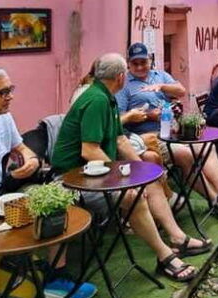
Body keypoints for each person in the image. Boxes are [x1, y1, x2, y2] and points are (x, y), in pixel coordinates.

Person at [51, 54, 203, 283]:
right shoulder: (96, 100)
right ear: (121, 77)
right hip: (73, 177)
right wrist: (120, 177)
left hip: (94, 170)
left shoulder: (106, 96)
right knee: (133, 196)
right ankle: (165, 257)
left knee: (150, 180)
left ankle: (177, 237)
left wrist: (145, 170)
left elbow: (120, 141)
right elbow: (89, 150)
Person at [0, 66, 98, 298]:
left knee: (55, 199)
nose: (10, 96)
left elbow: (21, 147)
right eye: (3, 92)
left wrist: (31, 159)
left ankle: (55, 276)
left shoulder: (3, 118)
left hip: (2, 191)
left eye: (10, 89)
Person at [117, 43, 218, 211]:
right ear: (128, 63)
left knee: (206, 146)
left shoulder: (160, 75)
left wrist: (162, 87)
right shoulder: (124, 86)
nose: (139, 66)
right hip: (149, 137)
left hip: (173, 130)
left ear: (150, 60)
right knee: (185, 154)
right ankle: (215, 200)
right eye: (135, 63)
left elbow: (180, 90)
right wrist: (147, 115)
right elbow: (120, 118)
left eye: (143, 62)